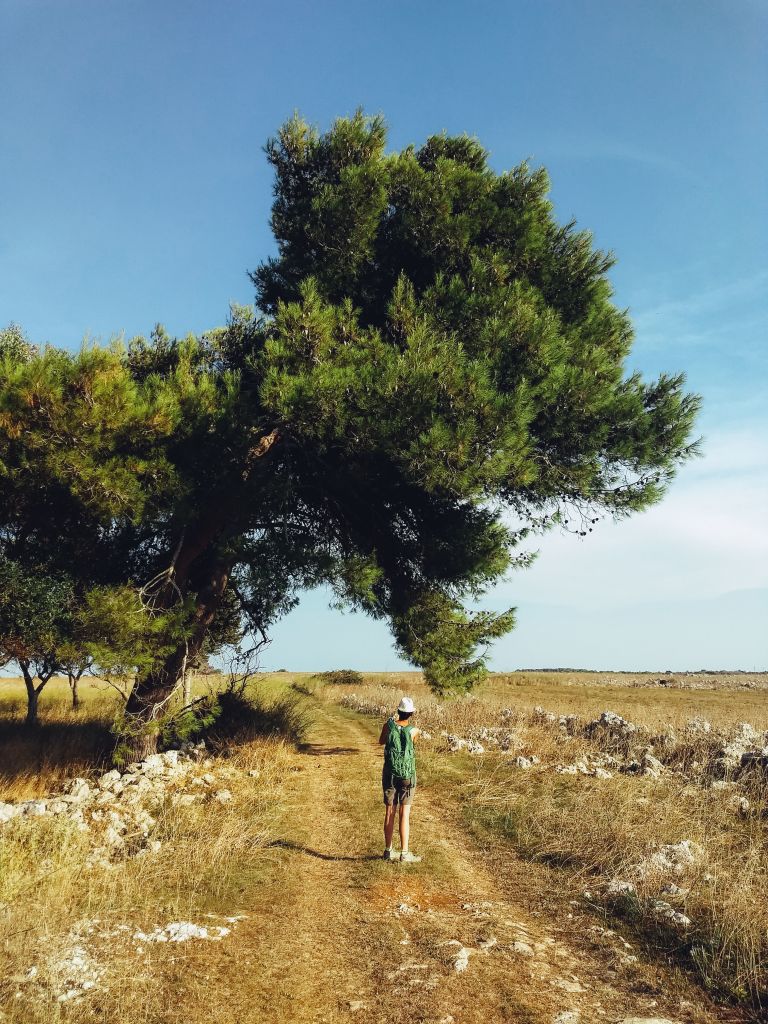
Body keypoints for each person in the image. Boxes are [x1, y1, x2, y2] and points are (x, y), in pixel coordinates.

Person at [378, 696, 422, 863]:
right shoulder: (415, 731)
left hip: (390, 773)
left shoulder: (387, 726)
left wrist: (390, 724)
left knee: (390, 812)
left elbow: (381, 741)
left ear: (398, 711)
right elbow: (413, 745)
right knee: (405, 814)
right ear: (411, 713)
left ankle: (388, 851)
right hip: (407, 775)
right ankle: (404, 853)